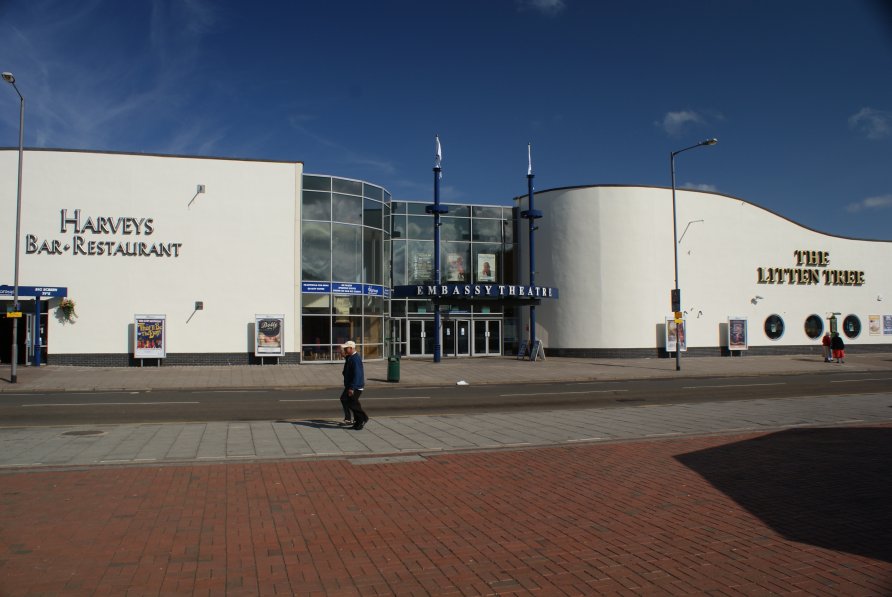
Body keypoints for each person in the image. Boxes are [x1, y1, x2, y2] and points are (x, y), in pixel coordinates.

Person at [340, 340, 369, 429]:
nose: (344, 349)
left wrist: (352, 388)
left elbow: (357, 374)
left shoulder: (355, 359)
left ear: (351, 348)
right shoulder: (351, 357)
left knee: (352, 403)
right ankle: (358, 421)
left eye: (346, 348)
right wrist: (345, 356)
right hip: (351, 385)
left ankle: (363, 418)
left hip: (355, 386)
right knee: (350, 402)